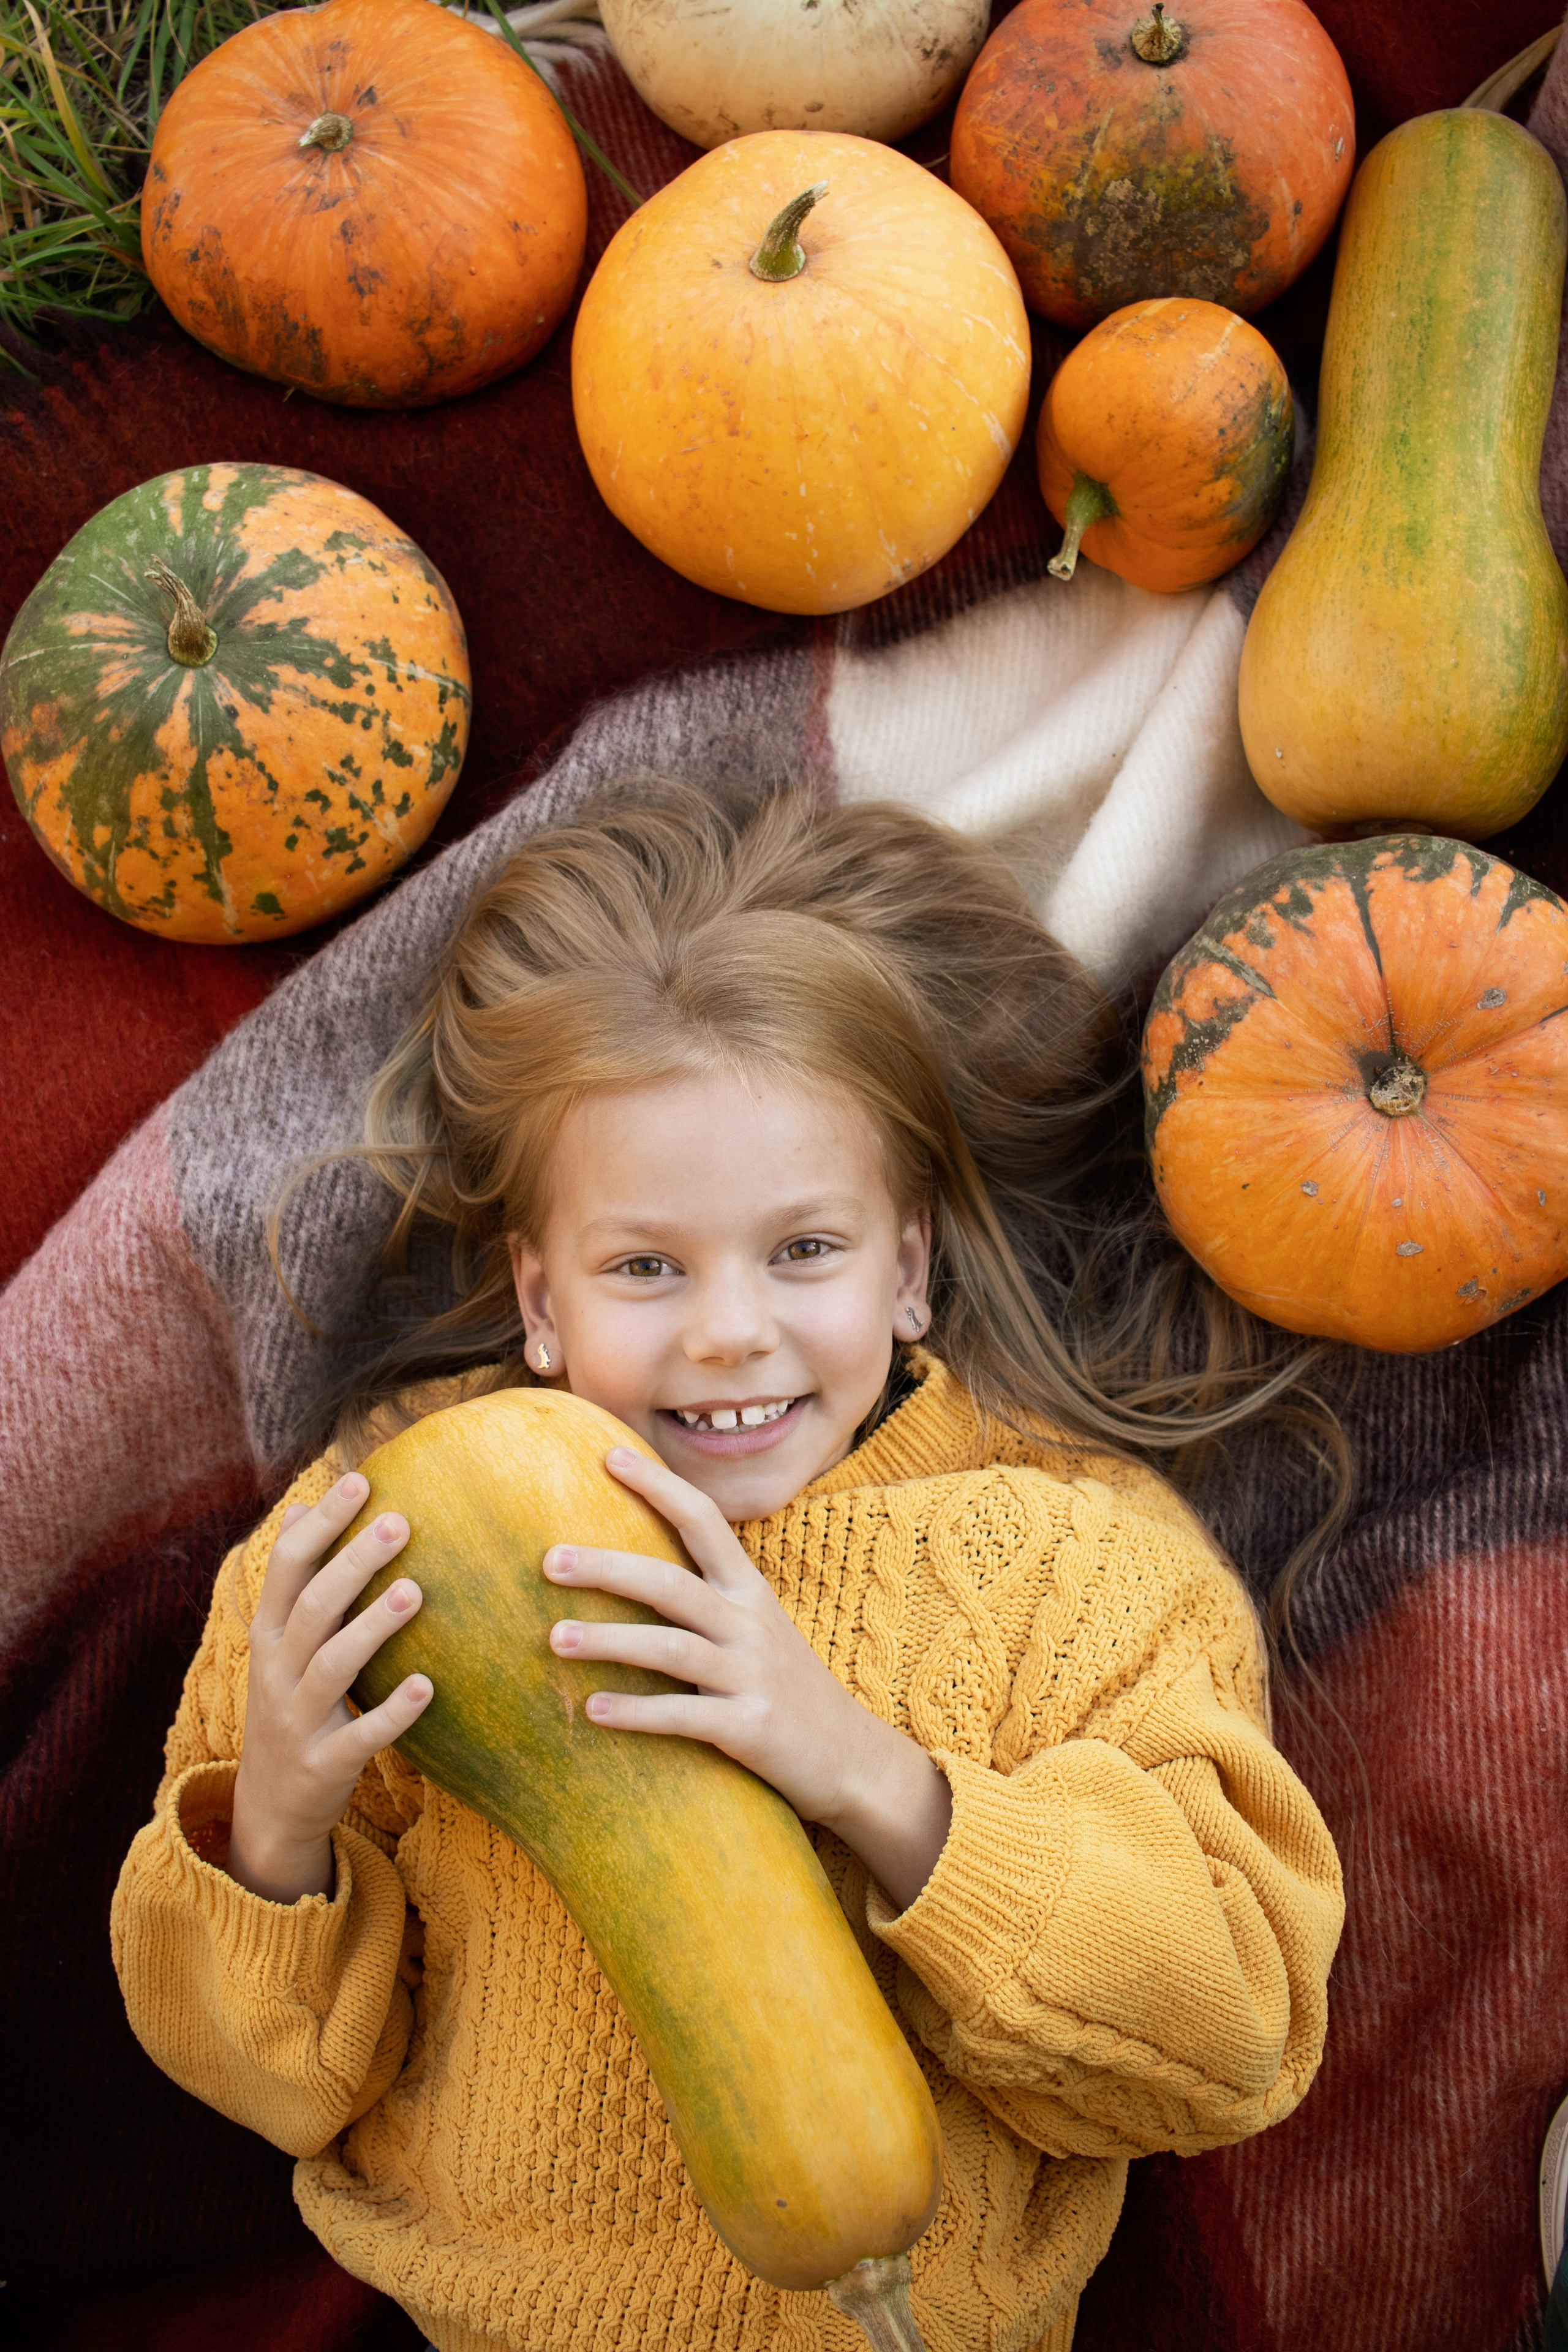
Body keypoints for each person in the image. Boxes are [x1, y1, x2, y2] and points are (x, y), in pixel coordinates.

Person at [112, 786, 1344, 2352]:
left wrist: (868, 1776)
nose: (726, 1330)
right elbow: (268, 2082)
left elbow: (1228, 2033)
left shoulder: (1074, 1561)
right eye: (644, 1267)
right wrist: (274, 1826)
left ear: (907, 1266)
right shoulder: (370, 1546)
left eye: (803, 1252)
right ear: (538, 1298)